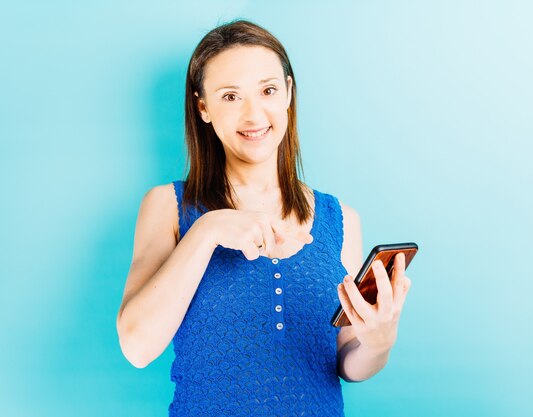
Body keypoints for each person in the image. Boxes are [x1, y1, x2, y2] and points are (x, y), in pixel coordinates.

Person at [116, 18, 412, 416]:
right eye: (230, 96)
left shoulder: (340, 218)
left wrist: (379, 341)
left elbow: (346, 361)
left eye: (268, 90)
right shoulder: (169, 206)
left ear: (288, 92)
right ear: (202, 106)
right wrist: (207, 230)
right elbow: (136, 347)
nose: (254, 114)